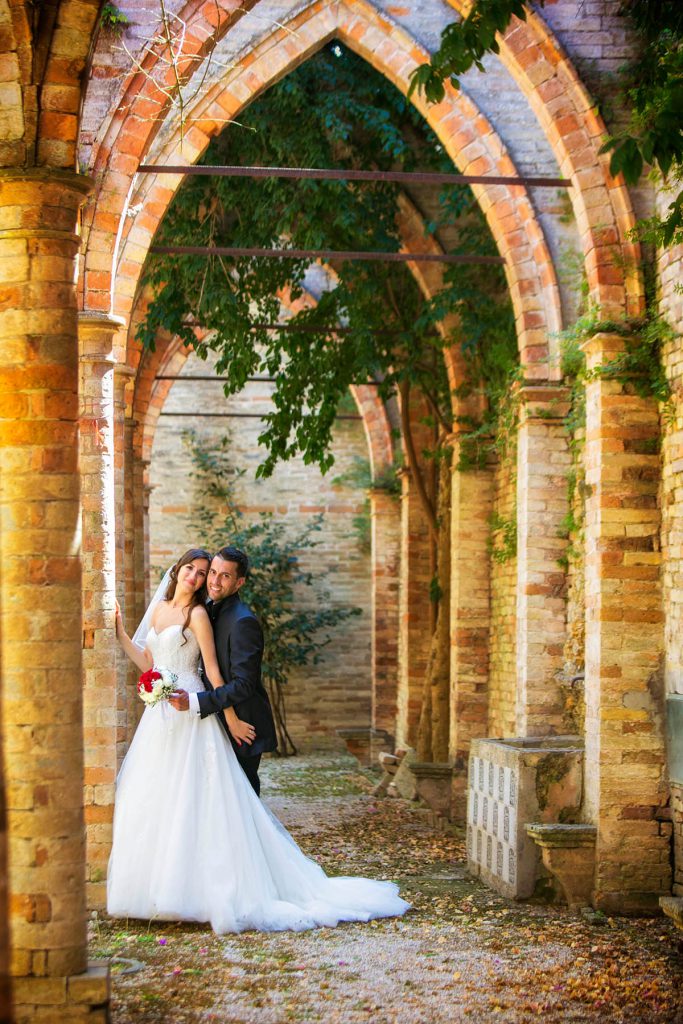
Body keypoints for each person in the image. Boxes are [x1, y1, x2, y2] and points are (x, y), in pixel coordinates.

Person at [108, 546, 410, 933]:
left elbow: (219, 676)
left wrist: (229, 719)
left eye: (209, 574)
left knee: (210, 801)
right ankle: (158, 888)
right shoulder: (167, 610)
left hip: (194, 710)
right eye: (198, 571)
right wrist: (118, 633)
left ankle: (224, 886)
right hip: (162, 714)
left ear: (237, 581)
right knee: (158, 795)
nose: (202, 579)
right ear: (178, 569)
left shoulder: (207, 614)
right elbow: (150, 662)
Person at [169, 546, 277, 796]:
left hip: (242, 724)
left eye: (225, 576)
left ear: (239, 583)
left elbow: (244, 684)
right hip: (215, 721)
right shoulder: (207, 610)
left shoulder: (243, 622)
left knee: (242, 798)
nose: (215, 581)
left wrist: (196, 702)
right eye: (213, 573)